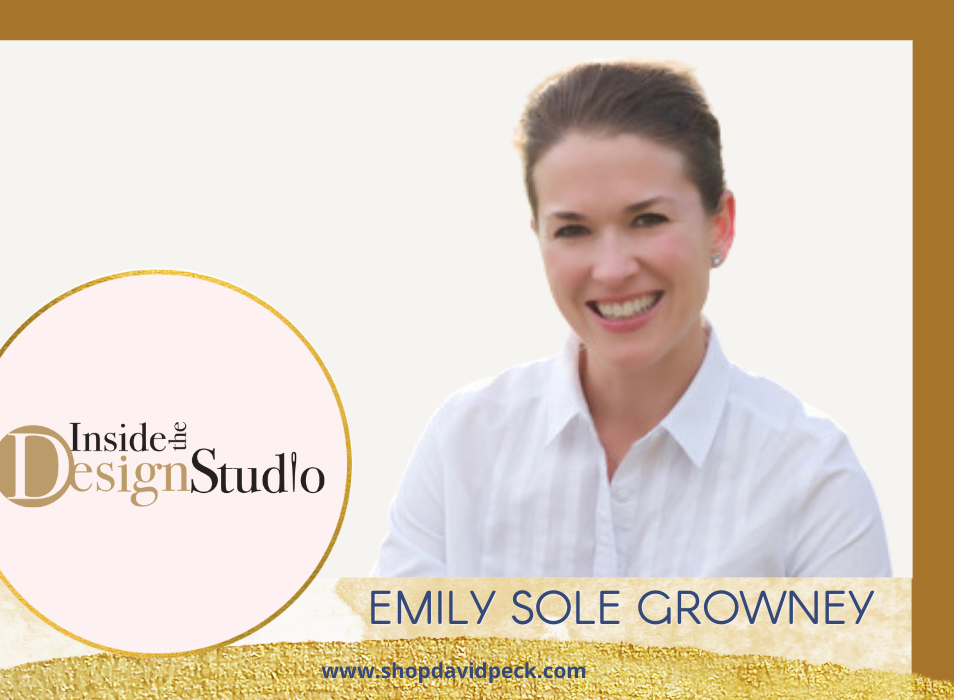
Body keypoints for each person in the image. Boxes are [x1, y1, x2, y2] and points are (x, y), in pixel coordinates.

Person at [372, 61, 891, 577]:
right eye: (573, 230)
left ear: (720, 226)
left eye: (648, 220)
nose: (614, 269)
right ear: (540, 238)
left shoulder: (812, 476)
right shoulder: (463, 442)